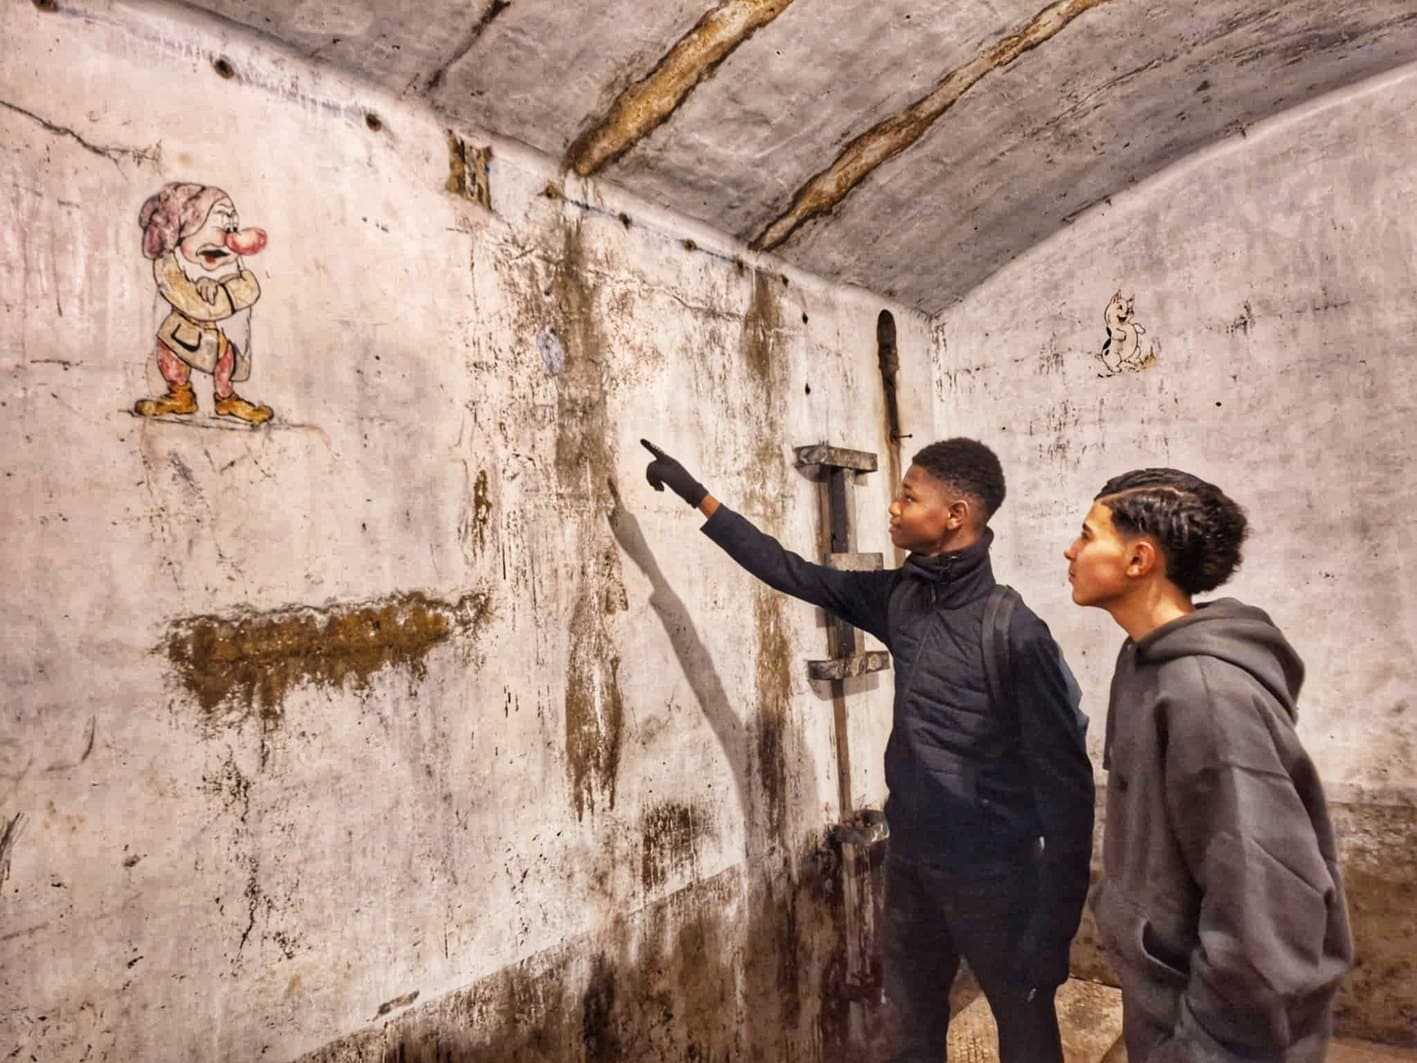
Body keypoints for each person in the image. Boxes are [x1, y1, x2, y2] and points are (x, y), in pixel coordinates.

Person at [641, 437, 1094, 1062]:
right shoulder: (900, 597)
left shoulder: (1015, 632)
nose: (894, 507)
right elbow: (793, 572)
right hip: (912, 866)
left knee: (1025, 1027)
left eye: (909, 496)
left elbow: (1068, 793)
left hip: (997, 877)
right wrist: (698, 496)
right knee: (910, 1026)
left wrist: (1056, 926)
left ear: (955, 515)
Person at [1064, 469, 1353, 1061]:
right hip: (1163, 999)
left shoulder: (1207, 696)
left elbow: (1264, 911)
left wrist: (1200, 1048)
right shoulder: (1143, 661)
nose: (1071, 550)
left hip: (1214, 1035)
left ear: (1139, 559)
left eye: (1087, 535)